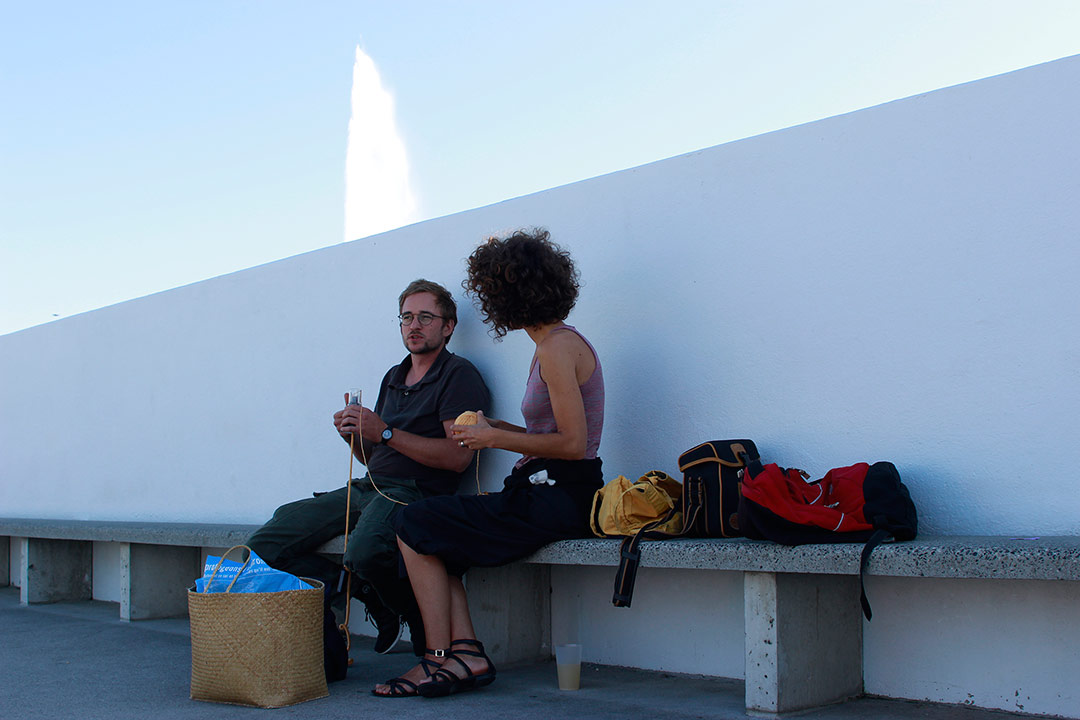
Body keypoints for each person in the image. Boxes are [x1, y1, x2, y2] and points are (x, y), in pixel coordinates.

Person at [373, 228, 604, 698]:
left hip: (563, 496)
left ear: (509, 294)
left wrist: (492, 436)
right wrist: (496, 427)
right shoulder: (552, 345)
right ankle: (467, 655)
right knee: (433, 531)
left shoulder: (558, 348)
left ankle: (439, 661)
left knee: (414, 521)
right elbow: (550, 437)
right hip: (550, 488)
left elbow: (576, 445)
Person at [247, 279, 491, 656]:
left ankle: (409, 614)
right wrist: (354, 434)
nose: (414, 326)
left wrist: (386, 431)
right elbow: (374, 457)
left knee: (362, 552)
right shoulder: (394, 376)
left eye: (426, 317)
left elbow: (458, 457)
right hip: (370, 485)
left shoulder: (458, 375)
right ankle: (353, 588)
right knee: (264, 545)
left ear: (448, 326)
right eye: (407, 317)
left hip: (414, 491)